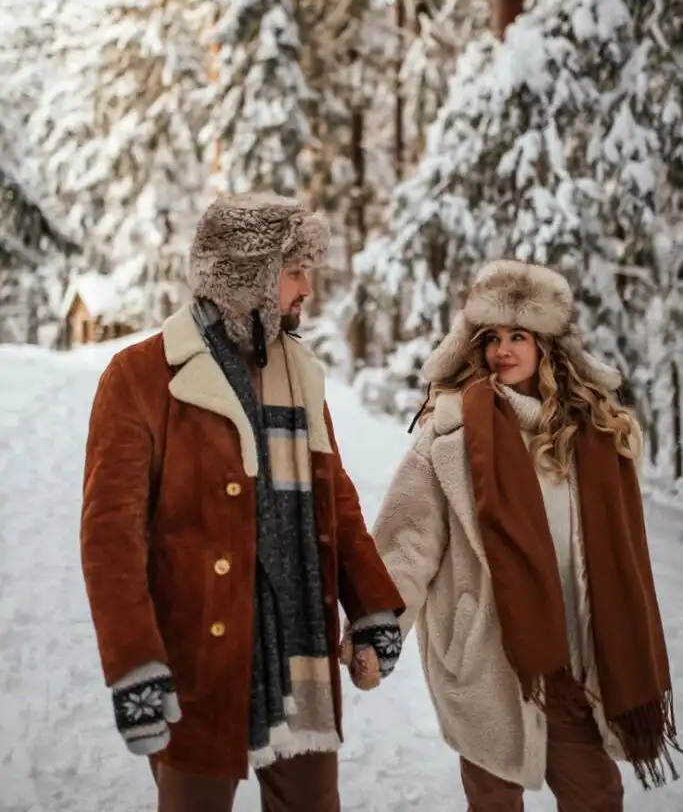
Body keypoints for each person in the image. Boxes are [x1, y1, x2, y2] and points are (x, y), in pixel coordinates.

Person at [80, 192, 405, 812]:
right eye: (294, 270)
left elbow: (333, 502)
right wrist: (133, 664)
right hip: (198, 658)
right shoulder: (140, 376)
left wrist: (372, 607)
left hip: (300, 652)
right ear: (248, 277)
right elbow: (110, 538)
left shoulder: (298, 372)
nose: (306, 287)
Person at [350, 259, 680, 810]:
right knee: (493, 801)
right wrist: (378, 626)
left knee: (596, 794)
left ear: (548, 347)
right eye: (491, 337)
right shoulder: (447, 436)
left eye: (519, 336)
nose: (503, 348)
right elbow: (407, 543)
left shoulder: (590, 439)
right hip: (487, 661)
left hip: (571, 662)